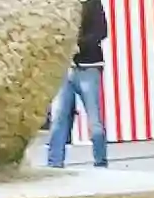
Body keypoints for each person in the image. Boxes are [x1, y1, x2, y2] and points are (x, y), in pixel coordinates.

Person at [47, 0, 109, 168]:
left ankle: (100, 161)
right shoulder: (60, 5)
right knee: (59, 118)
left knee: (94, 120)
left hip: (88, 65)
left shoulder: (92, 3)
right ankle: (54, 162)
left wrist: (76, 44)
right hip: (65, 65)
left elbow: (101, 31)